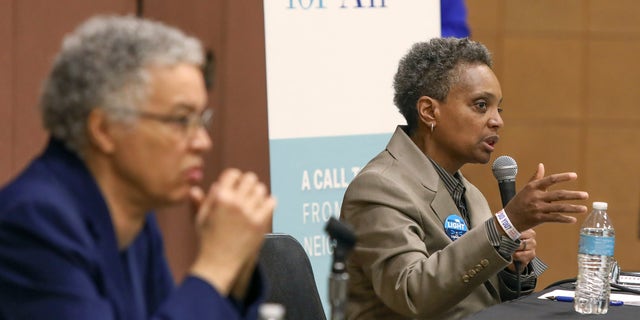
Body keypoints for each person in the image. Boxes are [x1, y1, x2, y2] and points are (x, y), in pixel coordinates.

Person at [0, 15, 276, 319]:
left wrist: (235, 275)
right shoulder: (34, 223)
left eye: (202, 121)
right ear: (104, 129)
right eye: (181, 120)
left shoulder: (137, 221)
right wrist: (216, 265)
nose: (202, 142)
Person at [339, 37, 589, 319]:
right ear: (429, 111)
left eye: (498, 109)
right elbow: (412, 294)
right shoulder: (380, 187)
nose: (497, 121)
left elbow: (484, 297)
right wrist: (505, 225)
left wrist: (510, 267)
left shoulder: (469, 192)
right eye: (481, 106)